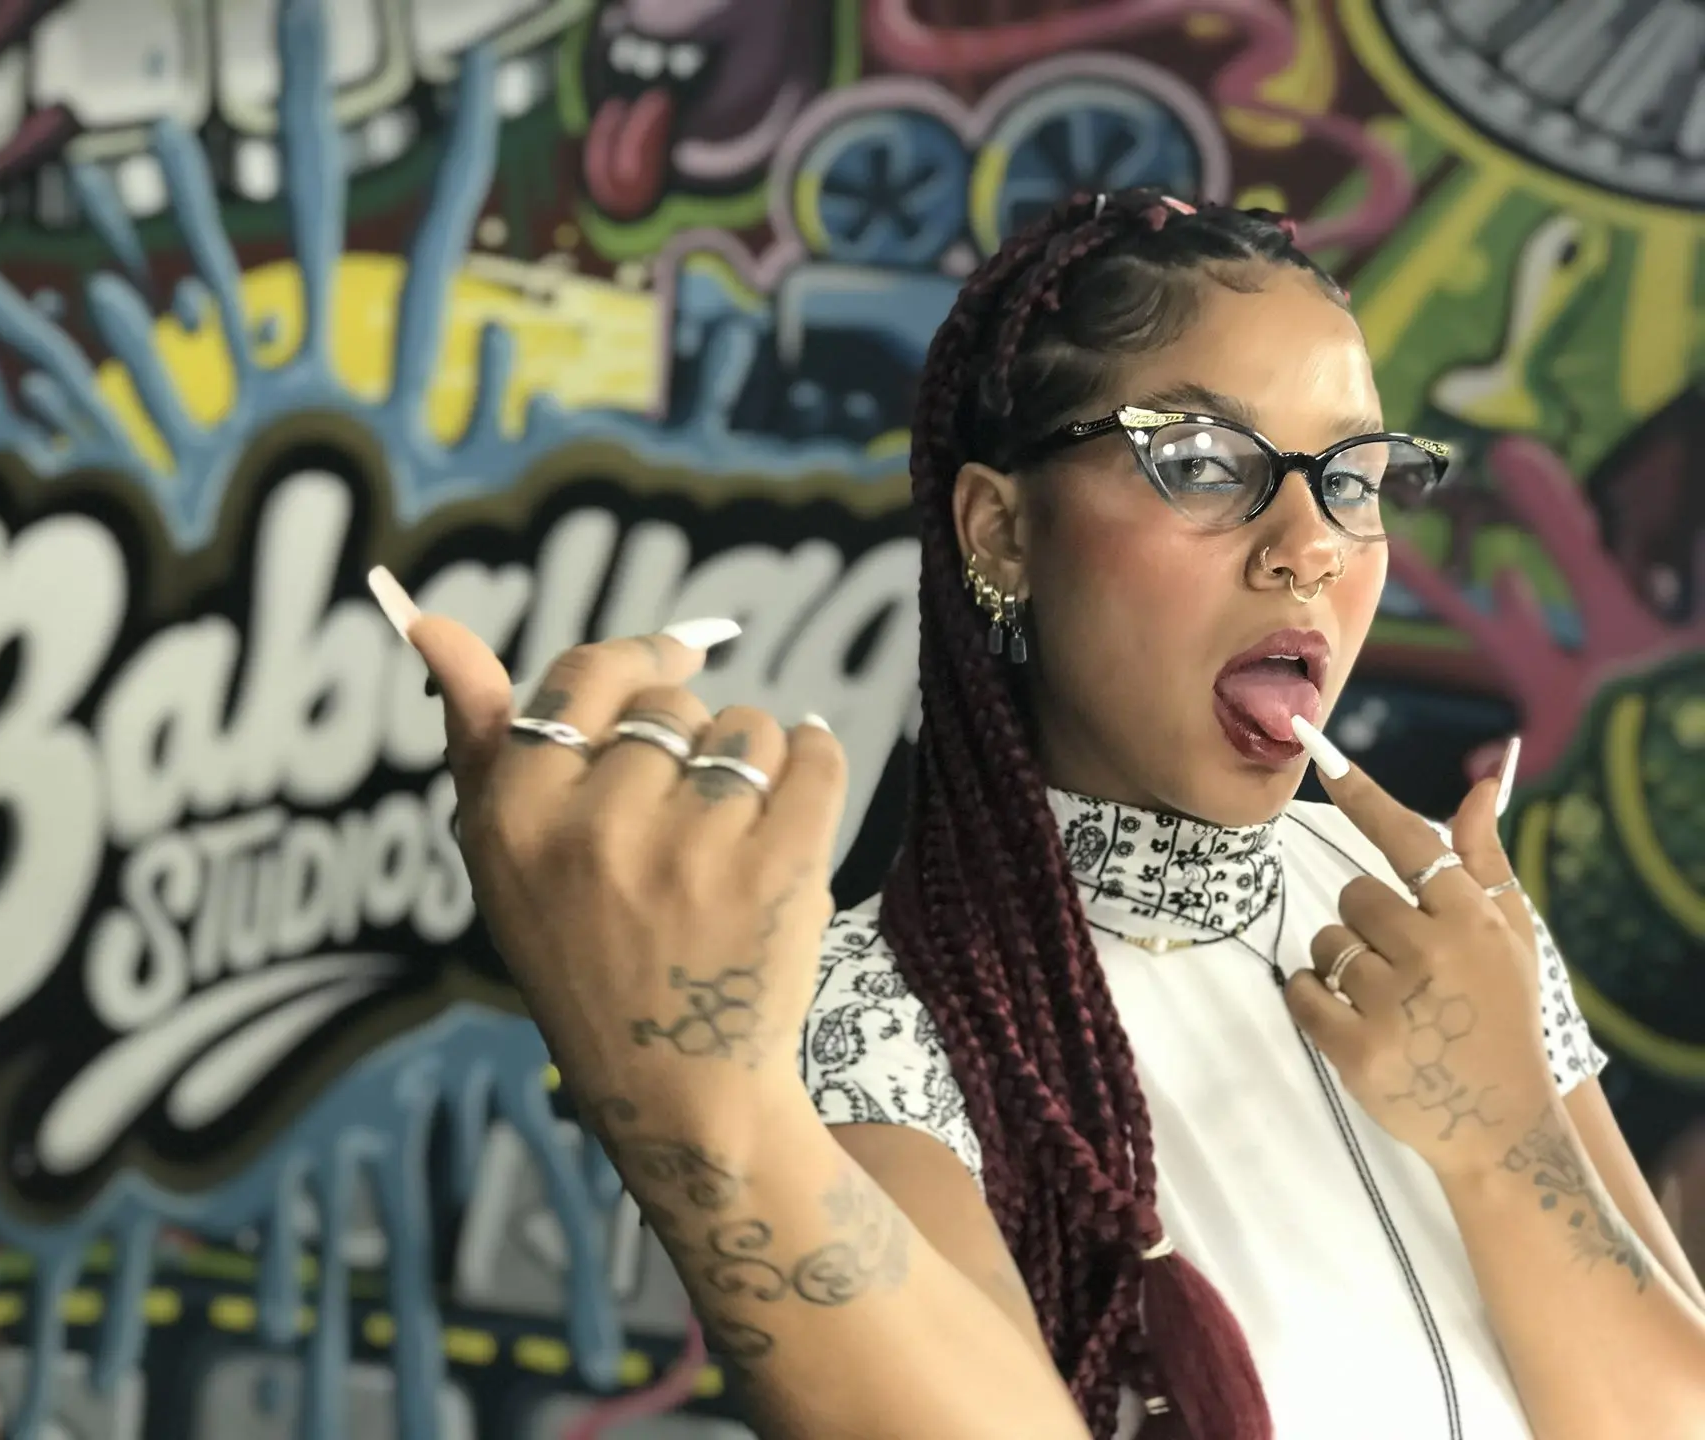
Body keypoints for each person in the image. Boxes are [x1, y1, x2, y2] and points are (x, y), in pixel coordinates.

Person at [368, 189, 1705, 1439]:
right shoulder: (877, 1017)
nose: (1309, 542)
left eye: (1350, 477)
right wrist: (692, 1103)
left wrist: (1506, 1136)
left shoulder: (1446, 926)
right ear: (1002, 533)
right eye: (1202, 461)